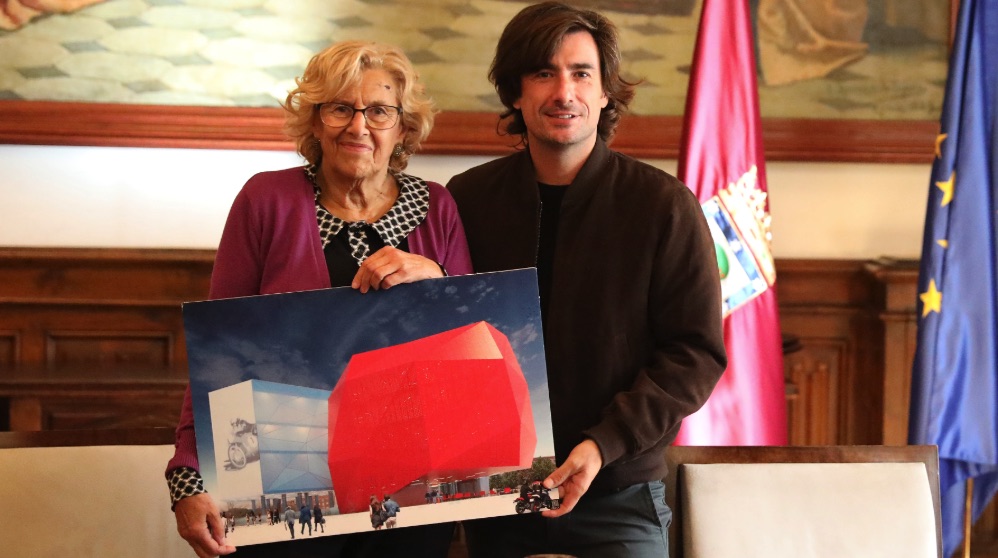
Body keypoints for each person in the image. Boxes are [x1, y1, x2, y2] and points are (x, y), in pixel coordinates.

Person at [164, 40, 470, 558]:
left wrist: (437, 275)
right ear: (314, 120)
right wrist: (187, 475)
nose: (358, 126)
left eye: (378, 110)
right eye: (339, 108)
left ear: (403, 126)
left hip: (408, 489)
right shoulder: (266, 201)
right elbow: (220, 351)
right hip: (284, 476)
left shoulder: (438, 206)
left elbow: (469, 337)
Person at [447, 3, 726, 556]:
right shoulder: (466, 200)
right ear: (515, 92)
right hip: (498, 493)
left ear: (605, 93)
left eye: (581, 73)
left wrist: (603, 445)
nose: (563, 92)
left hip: (620, 492)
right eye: (543, 73)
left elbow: (695, 355)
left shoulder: (663, 206)